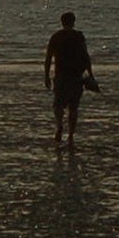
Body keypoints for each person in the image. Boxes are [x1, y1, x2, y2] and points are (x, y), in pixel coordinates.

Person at [44, 11, 93, 148]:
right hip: (76, 76)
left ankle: (59, 125)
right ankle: (71, 134)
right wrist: (91, 74)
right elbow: (86, 56)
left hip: (61, 76)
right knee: (73, 107)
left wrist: (46, 76)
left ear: (62, 22)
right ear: (73, 22)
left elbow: (48, 58)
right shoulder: (79, 36)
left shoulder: (56, 37)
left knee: (58, 104)